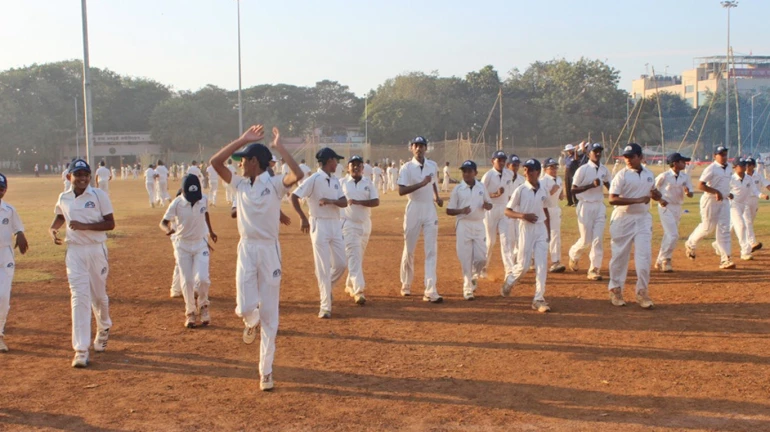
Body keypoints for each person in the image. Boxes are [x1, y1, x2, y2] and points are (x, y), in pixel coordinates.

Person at [209, 124, 302, 392]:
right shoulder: (239, 184)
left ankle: (266, 371)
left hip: (269, 250)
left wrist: (279, 147)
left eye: (243, 160)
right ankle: (251, 321)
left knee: (271, 316)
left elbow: (296, 174)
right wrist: (241, 140)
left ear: (254, 162)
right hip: (246, 249)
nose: (238, 165)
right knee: (245, 306)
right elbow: (215, 162)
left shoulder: (274, 184)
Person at [49, 159, 115, 368]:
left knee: (98, 296)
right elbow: (60, 216)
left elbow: (110, 223)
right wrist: (52, 229)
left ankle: (104, 326)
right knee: (79, 298)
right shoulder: (64, 197)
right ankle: (80, 350)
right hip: (75, 252)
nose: (83, 178)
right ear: (70, 177)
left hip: (96, 250)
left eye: (86, 174)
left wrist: (84, 226)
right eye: (78, 175)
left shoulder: (99, 195)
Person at [291, 148, 348, 318]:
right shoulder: (314, 179)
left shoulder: (335, 180)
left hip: (335, 224)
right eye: (335, 160)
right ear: (329, 160)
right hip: (319, 223)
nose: (337, 163)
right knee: (322, 267)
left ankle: (326, 289)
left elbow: (344, 202)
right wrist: (303, 217)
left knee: (341, 264)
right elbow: (294, 197)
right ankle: (325, 306)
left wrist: (331, 201)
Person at [607, 143, 661, 309]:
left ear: (640, 157)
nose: (628, 160)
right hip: (623, 218)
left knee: (644, 258)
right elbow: (612, 199)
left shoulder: (649, 174)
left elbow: (653, 192)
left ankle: (642, 292)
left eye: (632, 157)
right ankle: (616, 289)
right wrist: (637, 200)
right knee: (619, 256)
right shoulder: (621, 176)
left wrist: (657, 195)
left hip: (643, 219)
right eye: (626, 157)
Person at [160, 175, 217, 328]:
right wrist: (168, 229)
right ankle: (190, 312)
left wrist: (211, 232)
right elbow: (163, 222)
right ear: (184, 193)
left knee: (203, 279)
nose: (194, 200)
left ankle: (204, 306)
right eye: (190, 198)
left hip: (200, 244)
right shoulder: (177, 203)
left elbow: (205, 213)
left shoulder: (203, 199)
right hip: (182, 245)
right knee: (187, 281)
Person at [501, 159, 551, 313]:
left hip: (540, 229)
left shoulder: (544, 189)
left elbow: (545, 209)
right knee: (523, 266)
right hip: (525, 229)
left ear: (537, 172)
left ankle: (538, 298)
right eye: (525, 170)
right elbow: (507, 211)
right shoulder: (521, 190)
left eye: (530, 170)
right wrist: (523, 215)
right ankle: (509, 282)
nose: (527, 173)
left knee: (542, 265)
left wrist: (547, 230)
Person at [398, 136, 444, 303]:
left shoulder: (432, 165)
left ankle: (430, 290)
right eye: (416, 146)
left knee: (431, 250)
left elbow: (432, 183)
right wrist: (421, 184)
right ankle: (406, 284)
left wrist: (437, 197)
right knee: (409, 249)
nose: (419, 148)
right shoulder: (407, 168)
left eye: (422, 146)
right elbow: (401, 191)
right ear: (411, 148)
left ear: (426, 148)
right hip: (414, 208)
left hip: (429, 209)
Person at [447, 160, 492, 300]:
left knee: (481, 258)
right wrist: (461, 210)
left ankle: (473, 275)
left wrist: (487, 205)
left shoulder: (481, 187)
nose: (466, 174)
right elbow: (449, 210)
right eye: (464, 171)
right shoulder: (458, 189)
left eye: (469, 171)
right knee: (465, 258)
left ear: (475, 173)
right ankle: (467, 288)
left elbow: (489, 203)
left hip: (479, 224)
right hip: (463, 224)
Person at [685, 146, 735, 269]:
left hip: (723, 201)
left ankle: (725, 259)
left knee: (724, 229)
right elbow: (700, 185)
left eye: (725, 154)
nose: (724, 156)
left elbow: (725, 184)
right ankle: (690, 243)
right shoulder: (711, 168)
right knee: (708, 228)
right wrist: (715, 191)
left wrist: (727, 193)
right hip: (710, 200)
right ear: (714, 156)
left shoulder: (729, 167)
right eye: (721, 154)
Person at [568, 142, 611, 281]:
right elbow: (573, 189)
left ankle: (594, 269)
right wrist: (590, 185)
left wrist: (611, 189)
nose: (597, 154)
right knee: (586, 239)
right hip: (585, 205)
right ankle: (573, 254)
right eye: (594, 151)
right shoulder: (583, 169)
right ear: (588, 153)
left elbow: (610, 187)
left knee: (597, 240)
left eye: (599, 151)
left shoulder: (604, 169)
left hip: (599, 206)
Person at [340, 155, 380, 305]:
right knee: (354, 255)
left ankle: (349, 284)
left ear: (363, 168)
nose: (356, 167)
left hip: (365, 224)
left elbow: (376, 201)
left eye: (359, 165)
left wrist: (358, 202)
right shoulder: (342, 183)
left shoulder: (368, 183)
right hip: (348, 224)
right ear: (348, 167)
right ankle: (359, 290)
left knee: (357, 256)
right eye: (353, 165)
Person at [0, 173, 29, 352]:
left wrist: (20, 234)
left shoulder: (9, 210)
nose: (0, 191)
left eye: (2, 188)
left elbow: (18, 226)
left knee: (3, 296)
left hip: (5, 256)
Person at [654, 153, 694, 272]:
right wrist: (660, 200)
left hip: (677, 207)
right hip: (665, 206)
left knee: (668, 235)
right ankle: (666, 259)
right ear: (675, 163)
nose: (685, 164)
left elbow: (691, 193)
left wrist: (687, 193)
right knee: (673, 235)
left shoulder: (685, 177)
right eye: (682, 162)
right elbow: (652, 189)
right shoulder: (664, 176)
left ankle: (659, 260)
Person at [480, 151, 514, 280]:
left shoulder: (508, 174)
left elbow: (510, 193)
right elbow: (481, 195)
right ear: (492, 161)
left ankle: (509, 271)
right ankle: (483, 267)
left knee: (506, 240)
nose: (501, 162)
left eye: (503, 160)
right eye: (499, 160)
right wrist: (495, 194)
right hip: (491, 210)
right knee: (490, 241)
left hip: (504, 209)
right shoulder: (488, 176)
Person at [728, 158, 765, 261]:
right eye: (742, 165)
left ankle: (719, 244)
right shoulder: (731, 179)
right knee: (741, 225)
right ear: (735, 167)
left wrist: (761, 195)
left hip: (744, 204)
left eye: (745, 165)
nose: (745, 167)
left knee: (733, 226)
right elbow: (724, 190)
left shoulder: (749, 179)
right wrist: (727, 195)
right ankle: (745, 251)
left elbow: (755, 190)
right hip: (734, 205)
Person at [540, 158, 566, 273]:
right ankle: (532, 258)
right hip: (545, 210)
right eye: (551, 167)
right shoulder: (543, 181)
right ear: (545, 169)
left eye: (555, 167)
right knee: (541, 235)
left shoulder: (559, 179)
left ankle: (555, 261)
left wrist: (561, 194)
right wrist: (551, 191)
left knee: (555, 235)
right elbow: (541, 198)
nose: (554, 169)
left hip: (555, 209)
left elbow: (560, 193)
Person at [745, 157, 769, 252]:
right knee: (748, 222)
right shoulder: (742, 175)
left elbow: (767, 185)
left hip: (754, 201)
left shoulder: (758, 176)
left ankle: (718, 243)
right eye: (746, 164)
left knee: (739, 224)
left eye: (749, 164)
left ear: (754, 166)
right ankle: (751, 243)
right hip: (744, 201)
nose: (747, 166)